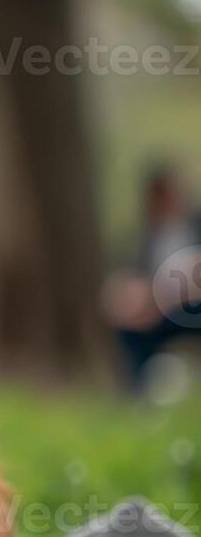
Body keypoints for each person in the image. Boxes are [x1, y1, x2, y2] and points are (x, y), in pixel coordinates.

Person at [104, 163, 201, 387]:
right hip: (157, 314)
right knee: (128, 327)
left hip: (192, 307)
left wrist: (161, 300)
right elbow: (133, 276)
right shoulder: (146, 238)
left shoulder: (195, 227)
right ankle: (138, 395)